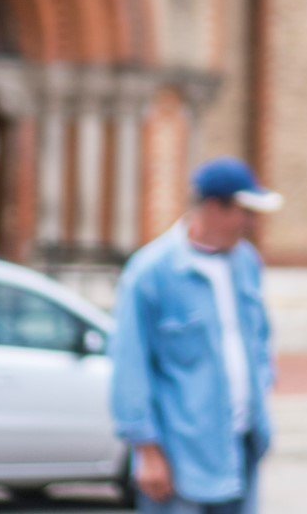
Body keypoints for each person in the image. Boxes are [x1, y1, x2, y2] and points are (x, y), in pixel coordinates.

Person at [111, 158, 282, 514]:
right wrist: (147, 451)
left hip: (240, 445)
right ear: (213, 208)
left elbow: (261, 338)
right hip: (180, 456)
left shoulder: (247, 263)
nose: (252, 223)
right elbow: (130, 365)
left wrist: (261, 390)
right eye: (244, 211)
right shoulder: (152, 273)